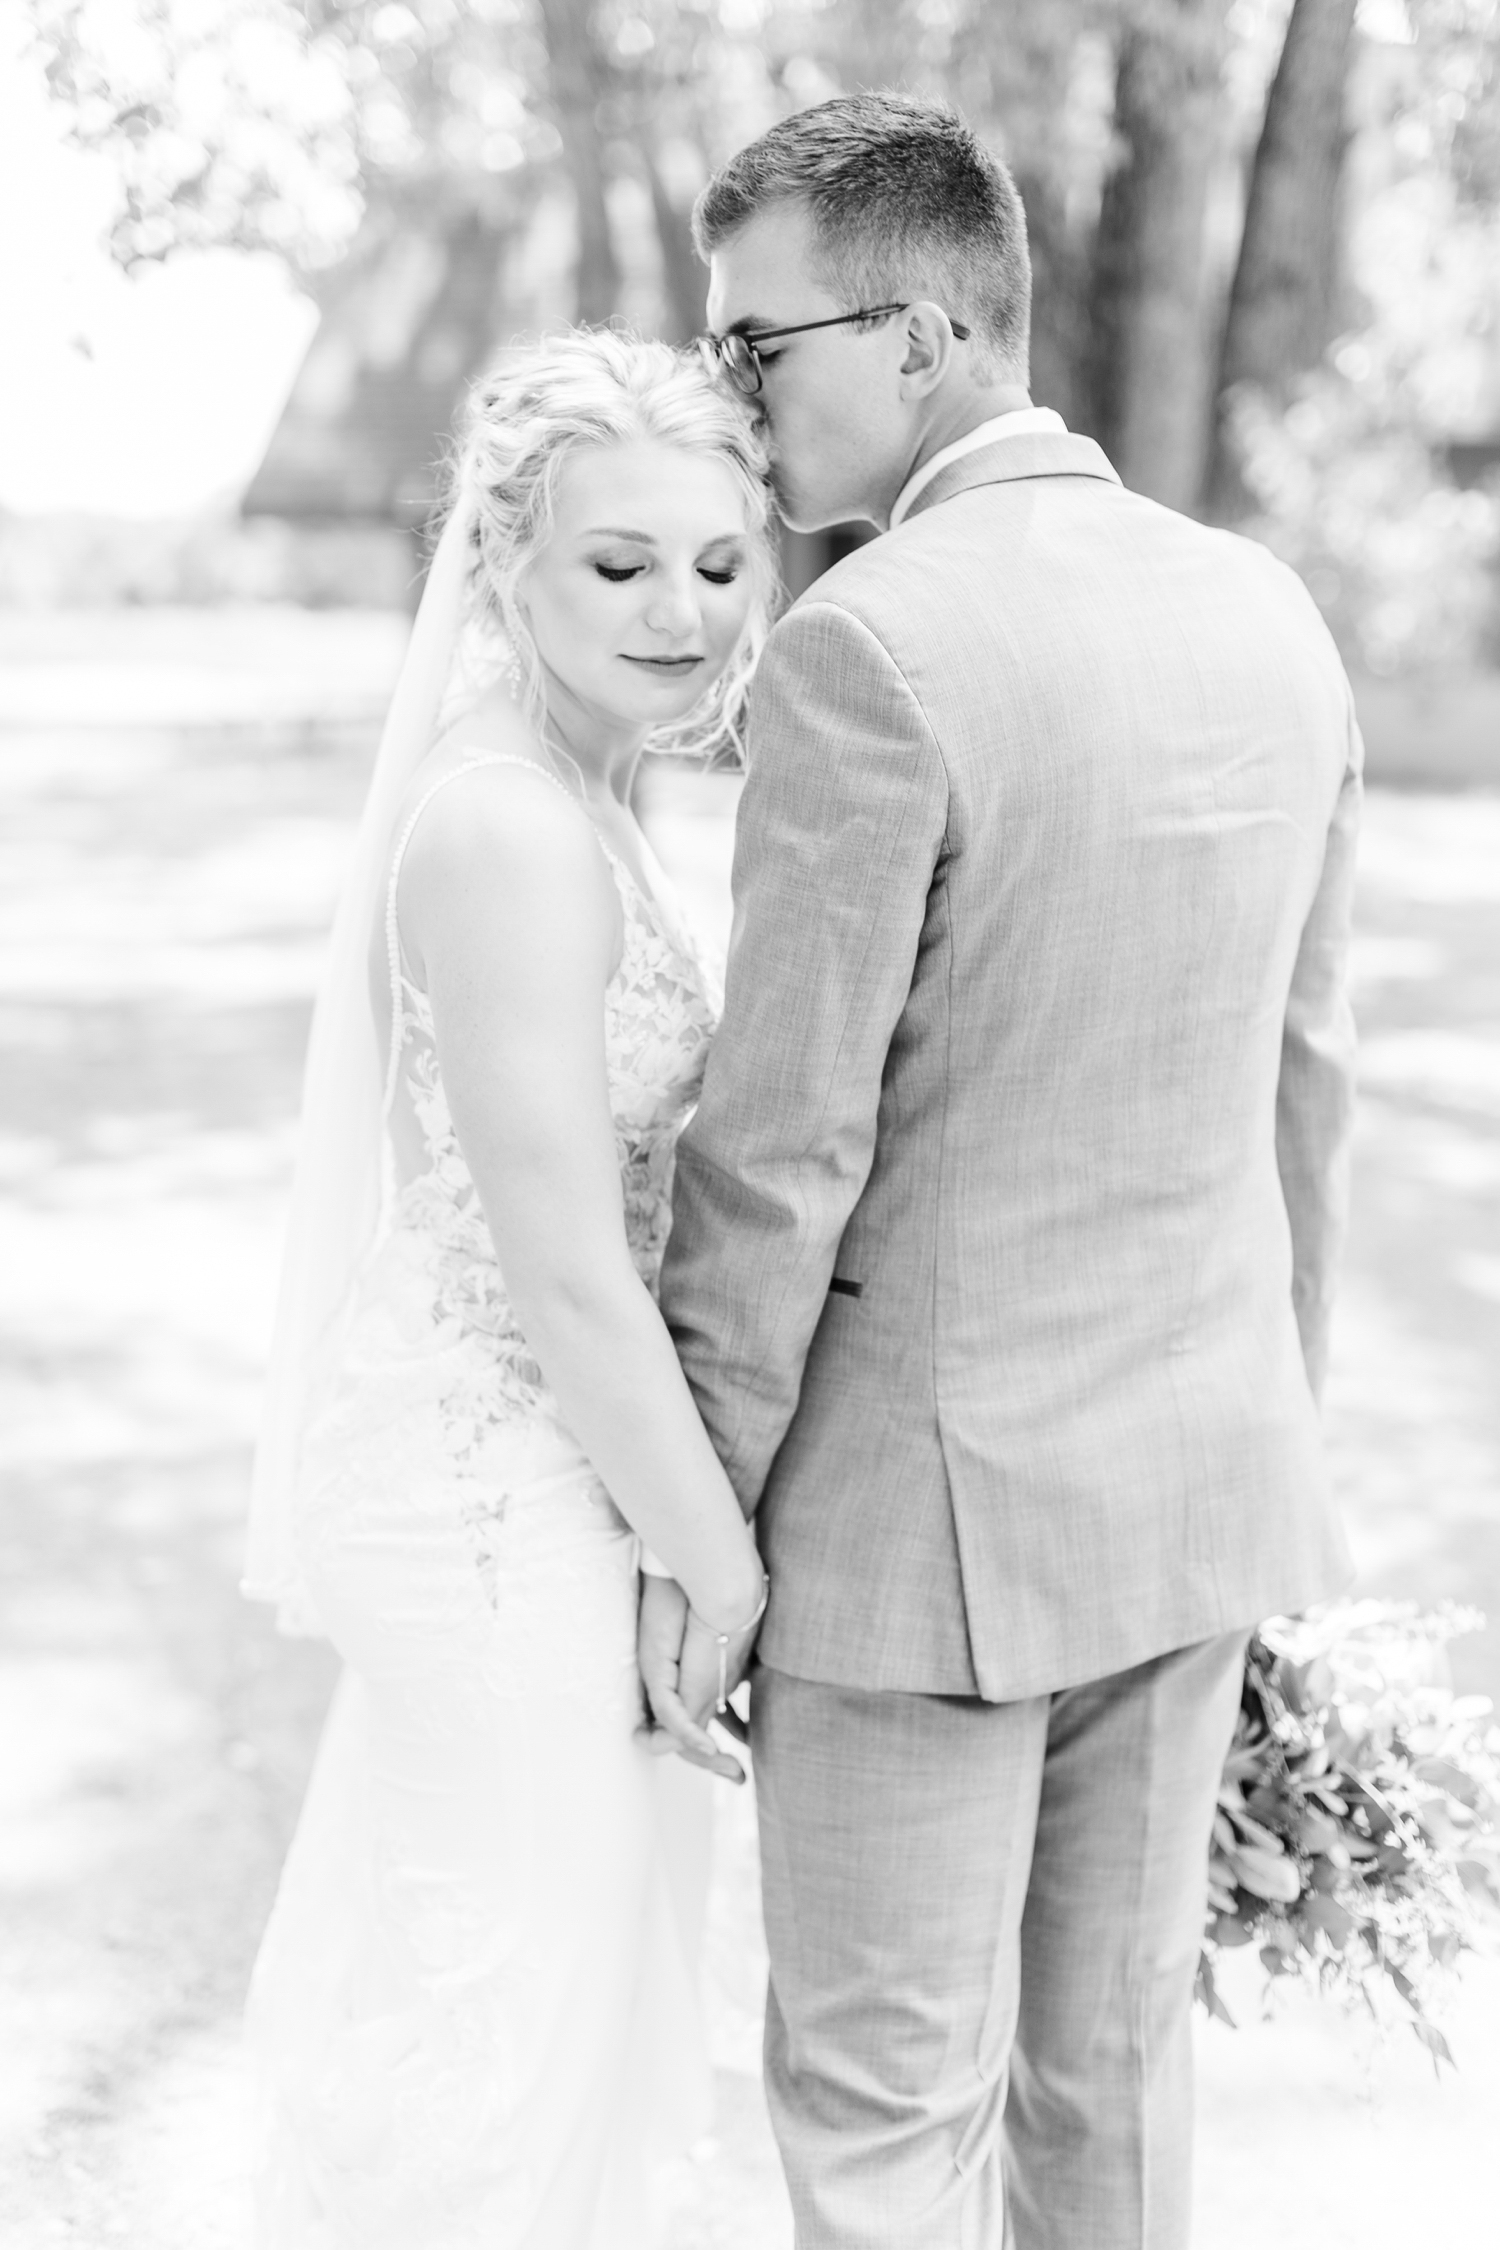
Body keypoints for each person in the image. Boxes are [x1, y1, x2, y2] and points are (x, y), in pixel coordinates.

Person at [642, 92, 1361, 2248]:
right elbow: (1304, 1087)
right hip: (1192, 1484)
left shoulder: (867, 650)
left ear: (932, 332)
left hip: (910, 1539)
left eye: (759, 350)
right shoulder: (1267, 611)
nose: (728, 399)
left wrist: (702, 1532)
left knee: (877, 2118)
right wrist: (1266, 1432)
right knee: (1113, 2093)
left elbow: (779, 1163)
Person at [241, 329, 777, 2249]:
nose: (680, 611)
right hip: (491, 1495)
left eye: (717, 565)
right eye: (618, 564)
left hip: (543, 1468)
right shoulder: (505, 826)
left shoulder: (583, 791)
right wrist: (714, 1556)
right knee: (508, 2025)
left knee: (541, 2003)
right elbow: (559, 1266)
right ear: (505, 565)